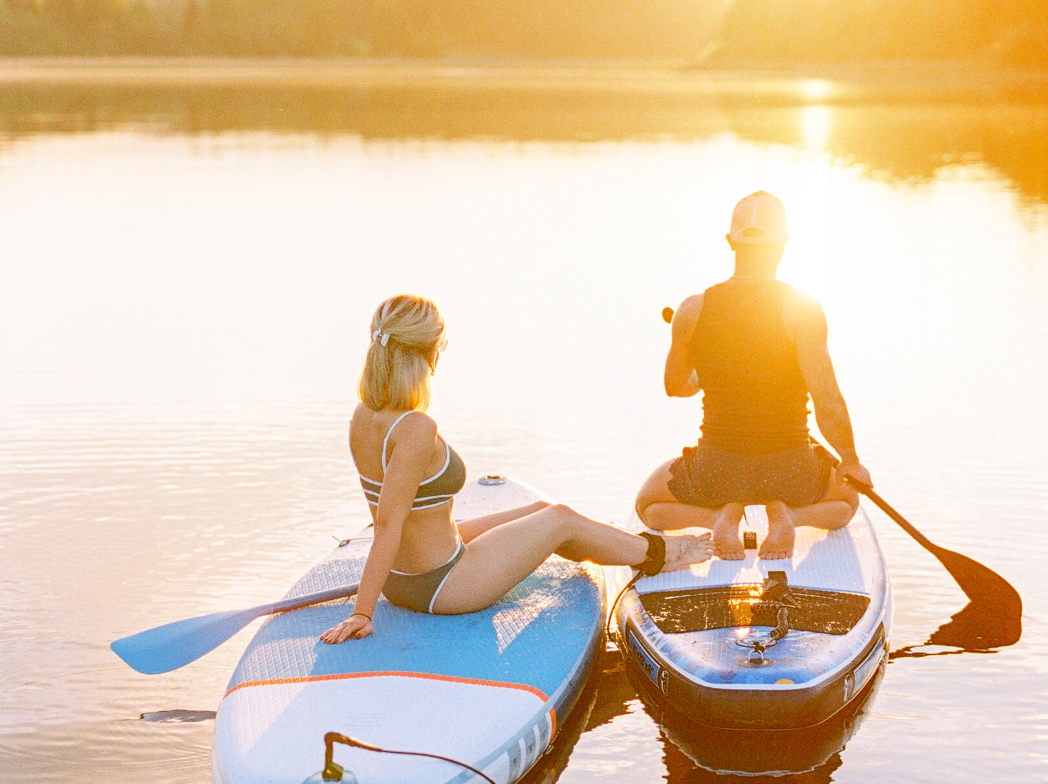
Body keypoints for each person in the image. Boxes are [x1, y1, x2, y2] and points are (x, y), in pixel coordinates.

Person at [321, 294, 711, 643]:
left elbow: (389, 517)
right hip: (442, 584)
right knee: (560, 519)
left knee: (542, 511)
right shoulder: (416, 428)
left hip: (405, 577)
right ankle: (658, 552)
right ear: (428, 352)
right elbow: (388, 525)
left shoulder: (363, 416)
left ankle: (626, 546)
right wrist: (362, 613)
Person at [635, 191, 873, 562]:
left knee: (648, 504)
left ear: (731, 241)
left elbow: (676, 387)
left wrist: (705, 375)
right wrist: (850, 460)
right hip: (791, 469)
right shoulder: (803, 310)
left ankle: (718, 515)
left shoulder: (692, 309)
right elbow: (828, 401)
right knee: (846, 503)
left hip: (716, 470)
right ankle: (790, 514)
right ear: (784, 244)